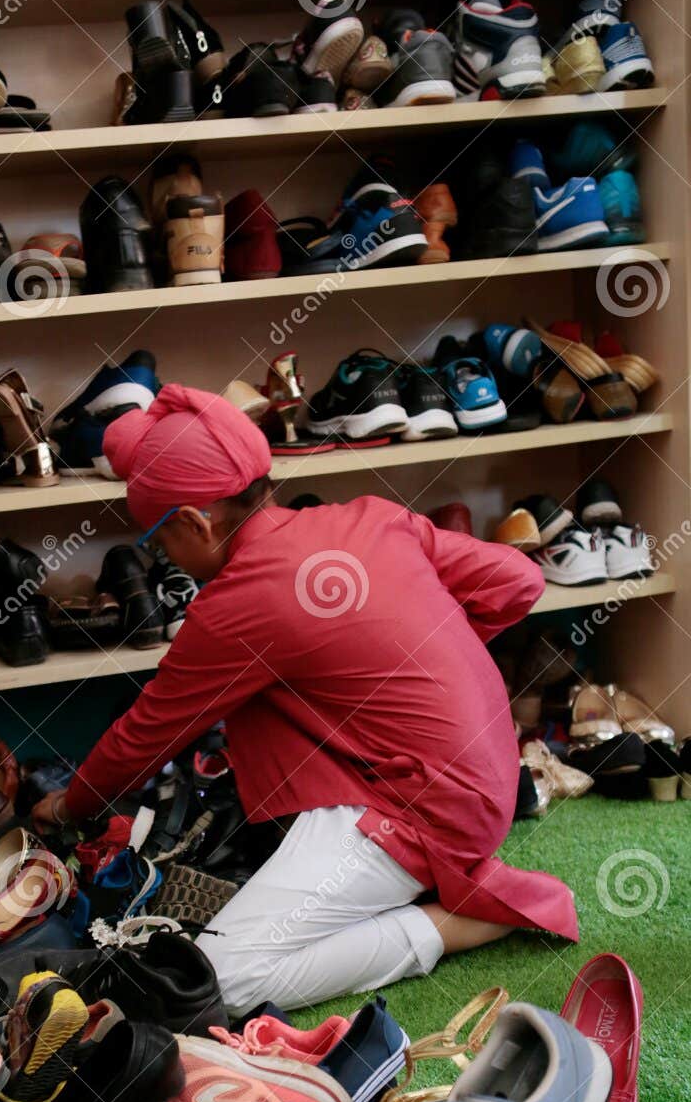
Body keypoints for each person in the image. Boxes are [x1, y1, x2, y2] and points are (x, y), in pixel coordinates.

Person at [31, 385, 577, 1015]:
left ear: (193, 522)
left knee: (216, 983)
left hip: (421, 813)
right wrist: (417, 653)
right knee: (275, 696)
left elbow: (146, 734)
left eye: (159, 541)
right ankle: (397, 882)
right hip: (487, 775)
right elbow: (520, 579)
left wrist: (69, 808)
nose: (162, 555)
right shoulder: (368, 517)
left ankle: (457, 922)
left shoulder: (237, 605)